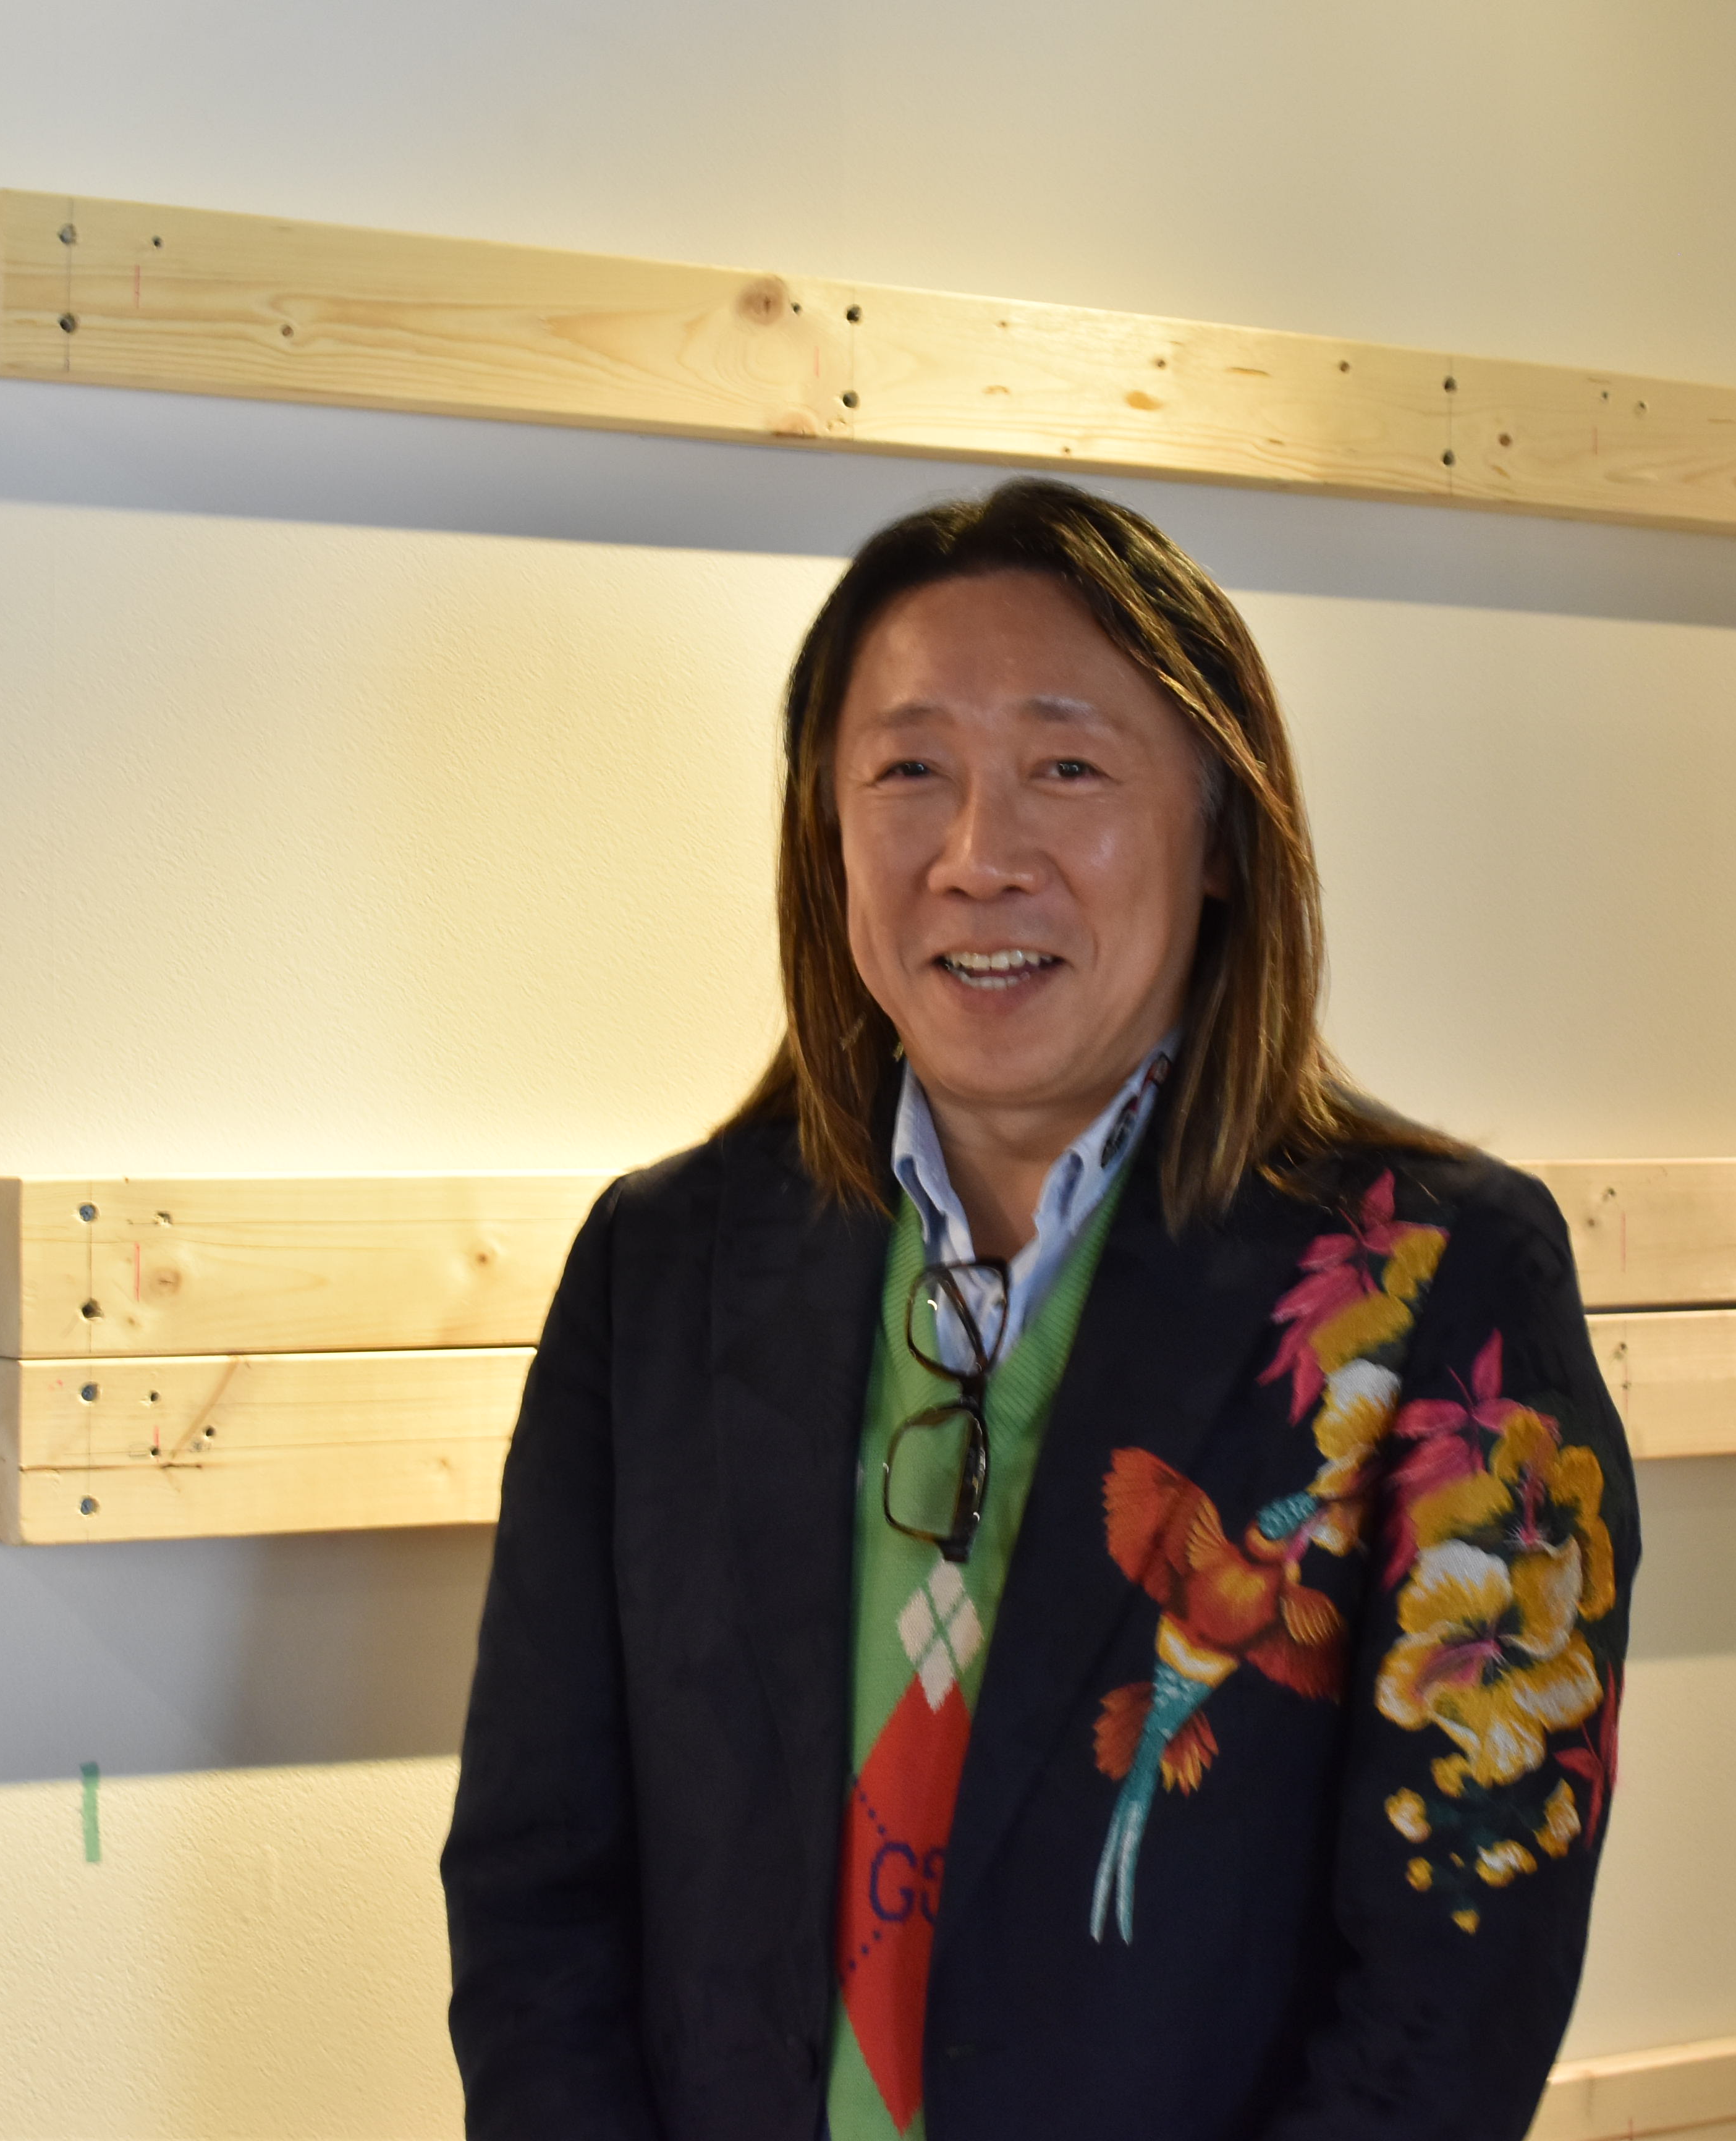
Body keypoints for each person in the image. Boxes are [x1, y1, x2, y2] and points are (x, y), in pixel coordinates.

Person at [441, 478, 1636, 2140]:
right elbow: (536, 1890)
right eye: (907, 773)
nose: (977, 860)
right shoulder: (663, 1269)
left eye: (1066, 770)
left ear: (1221, 834)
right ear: (823, 836)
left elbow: (1455, 1982)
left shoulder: (1437, 1285)